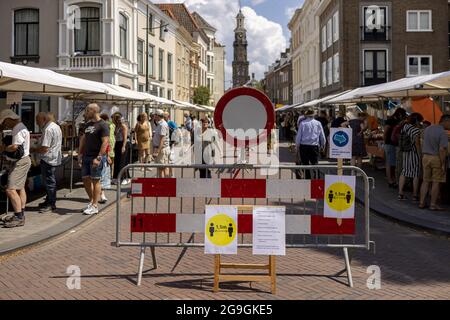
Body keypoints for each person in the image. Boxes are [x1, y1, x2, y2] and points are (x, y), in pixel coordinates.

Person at [0, 110, 31, 228]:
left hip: (21, 161)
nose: (5, 124)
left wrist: (3, 148)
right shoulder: (22, 126)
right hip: (24, 160)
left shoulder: (17, 128)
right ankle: (21, 213)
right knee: (20, 188)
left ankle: (18, 217)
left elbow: (14, 147)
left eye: (5, 122)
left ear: (9, 118)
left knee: (10, 189)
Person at [78, 104, 109, 215]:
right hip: (86, 156)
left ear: (93, 110)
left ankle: (95, 205)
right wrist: (80, 153)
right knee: (85, 179)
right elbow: (84, 139)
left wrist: (99, 157)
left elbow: (105, 142)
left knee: (96, 180)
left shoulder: (103, 125)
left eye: (87, 110)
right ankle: (91, 201)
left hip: (96, 157)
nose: (86, 112)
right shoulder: (88, 124)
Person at [31, 112, 62, 213]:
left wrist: (33, 149)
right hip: (52, 157)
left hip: (48, 158)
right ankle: (49, 200)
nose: (36, 122)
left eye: (37, 120)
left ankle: (51, 203)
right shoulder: (56, 126)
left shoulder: (48, 129)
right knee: (50, 181)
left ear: (44, 119)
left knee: (49, 182)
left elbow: (44, 148)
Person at [419, 114, 450, 210]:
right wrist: (443, 163)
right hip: (436, 158)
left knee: (425, 181)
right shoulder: (443, 133)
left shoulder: (428, 128)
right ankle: (433, 204)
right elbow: (442, 149)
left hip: (425, 157)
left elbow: (422, 140)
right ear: (446, 121)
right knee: (436, 182)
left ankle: (421, 203)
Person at [398, 113, 424, 202]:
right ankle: (415, 195)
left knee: (404, 172)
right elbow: (417, 144)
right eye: (420, 121)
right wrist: (420, 155)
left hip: (405, 153)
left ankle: (400, 193)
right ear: (417, 121)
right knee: (415, 174)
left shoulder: (405, 127)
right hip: (413, 153)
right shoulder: (415, 130)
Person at [295, 109, 326, 179]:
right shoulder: (318, 123)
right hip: (314, 146)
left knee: (305, 164)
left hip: (304, 146)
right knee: (315, 164)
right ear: (314, 115)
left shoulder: (302, 123)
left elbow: (298, 137)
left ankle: (307, 179)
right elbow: (322, 136)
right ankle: (315, 179)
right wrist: (322, 145)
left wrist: (297, 147)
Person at [383, 108, 407, 188]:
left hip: (394, 144)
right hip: (389, 144)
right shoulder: (390, 120)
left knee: (392, 162)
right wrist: (384, 142)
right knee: (389, 163)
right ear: (400, 114)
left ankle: (392, 179)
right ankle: (390, 180)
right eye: (403, 115)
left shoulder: (396, 121)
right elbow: (385, 132)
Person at [112, 112, 130, 185]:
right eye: (116, 119)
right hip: (118, 143)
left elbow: (125, 137)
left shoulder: (123, 126)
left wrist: (123, 146)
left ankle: (124, 177)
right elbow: (115, 135)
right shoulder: (117, 126)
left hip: (123, 143)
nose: (117, 120)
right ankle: (116, 177)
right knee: (117, 160)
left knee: (122, 161)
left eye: (118, 119)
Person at [152, 109, 171, 178]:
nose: (154, 116)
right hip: (160, 149)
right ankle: (164, 184)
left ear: (158, 116)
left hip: (162, 149)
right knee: (161, 168)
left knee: (162, 168)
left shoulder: (162, 125)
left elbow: (162, 139)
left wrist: (157, 151)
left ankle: (163, 185)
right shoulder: (159, 124)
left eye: (155, 115)